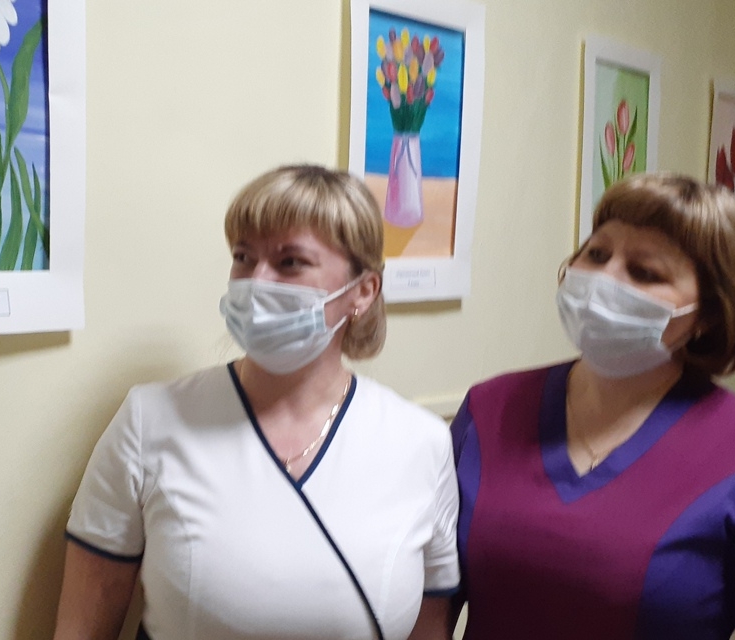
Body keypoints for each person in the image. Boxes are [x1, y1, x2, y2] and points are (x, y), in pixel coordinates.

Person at [53, 165, 459, 640]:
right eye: (243, 257)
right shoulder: (150, 421)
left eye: (290, 262)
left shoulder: (421, 443)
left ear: (363, 292)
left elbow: (431, 625)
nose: (256, 281)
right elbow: (84, 622)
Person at [450, 173, 735, 639]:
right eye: (597, 254)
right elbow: (430, 603)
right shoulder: (490, 410)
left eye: (645, 272)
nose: (604, 280)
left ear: (706, 315)